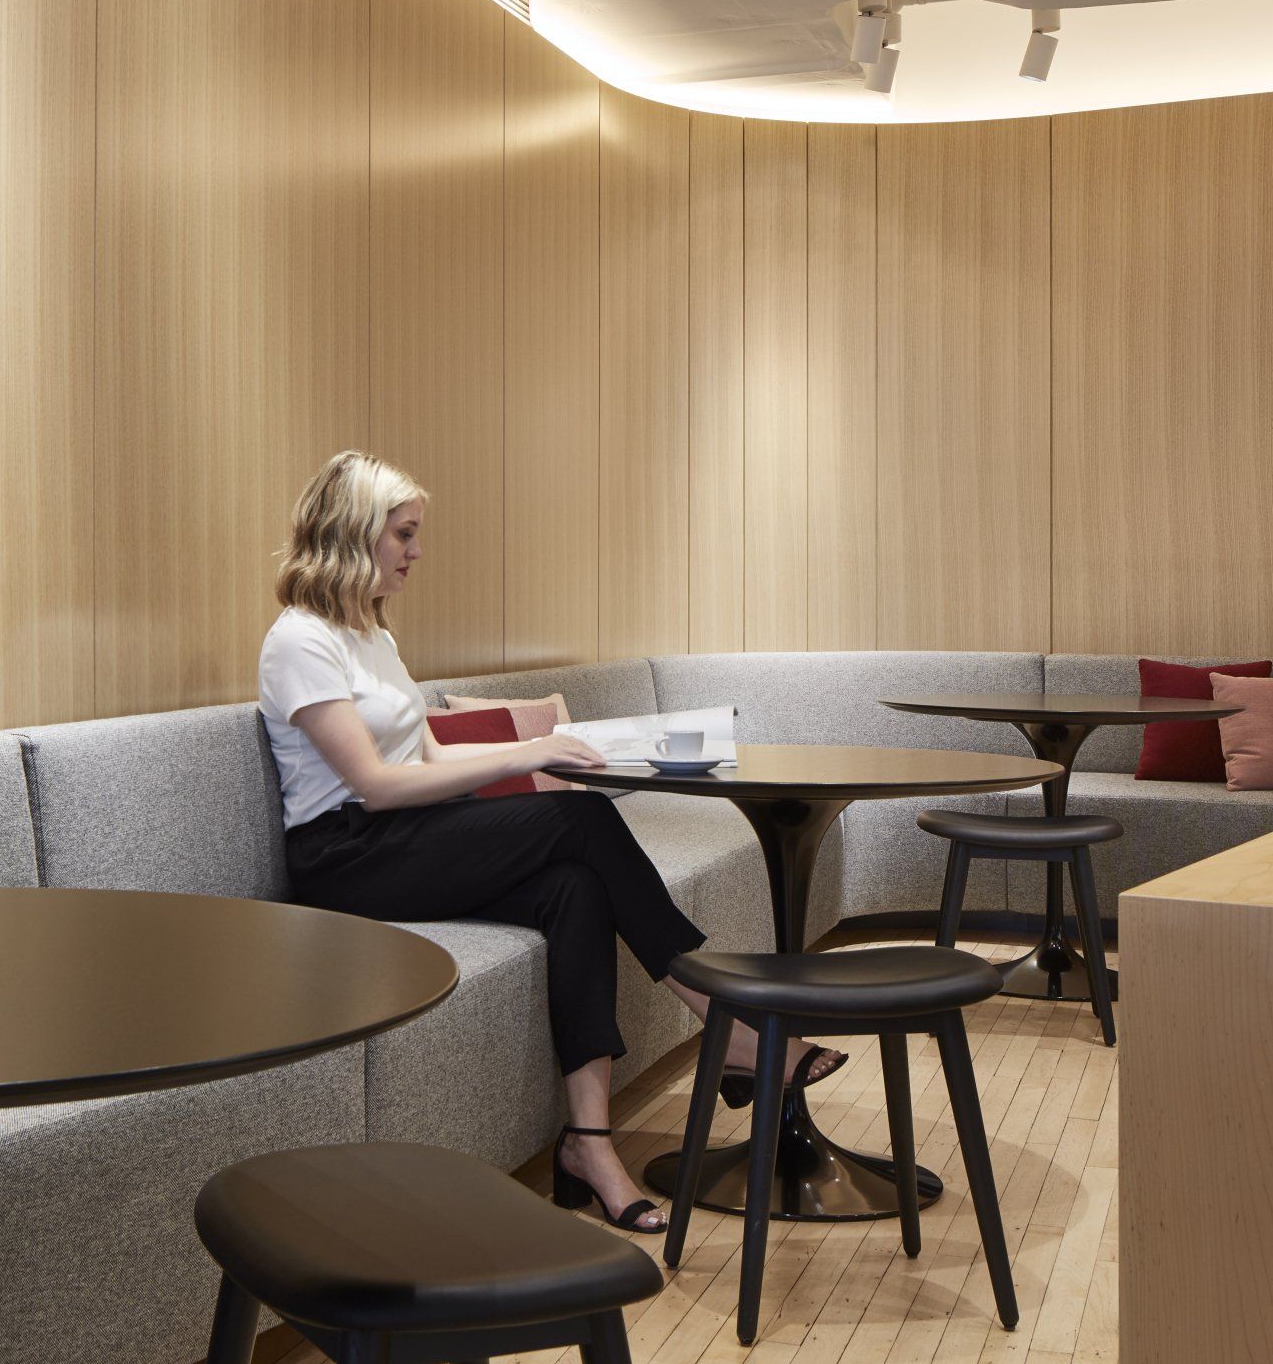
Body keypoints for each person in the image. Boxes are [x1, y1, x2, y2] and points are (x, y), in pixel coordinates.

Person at [258, 450, 840, 1234]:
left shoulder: (372, 635)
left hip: (407, 837)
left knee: (578, 886)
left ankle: (589, 1144)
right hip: (348, 857)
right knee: (582, 818)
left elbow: (429, 756)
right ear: (354, 532)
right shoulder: (299, 641)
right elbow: (375, 783)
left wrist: (553, 743)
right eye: (403, 533)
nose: (416, 551)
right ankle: (726, 1018)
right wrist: (528, 753)